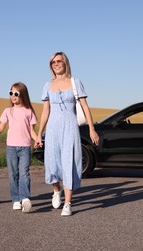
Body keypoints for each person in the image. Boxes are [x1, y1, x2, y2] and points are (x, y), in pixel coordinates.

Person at [35, 52, 99, 216]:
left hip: (70, 128)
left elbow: (85, 106)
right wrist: (39, 134)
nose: (56, 64)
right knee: (52, 162)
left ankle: (68, 204)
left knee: (69, 163)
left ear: (65, 63)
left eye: (59, 61)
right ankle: (56, 190)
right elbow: (45, 112)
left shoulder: (75, 83)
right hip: (53, 130)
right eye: (53, 62)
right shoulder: (47, 85)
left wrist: (92, 129)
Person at [0, 82, 38, 213]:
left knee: (24, 173)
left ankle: (25, 198)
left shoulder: (29, 111)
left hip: (25, 147)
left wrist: (37, 139)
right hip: (11, 148)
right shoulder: (7, 111)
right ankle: (16, 200)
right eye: (11, 93)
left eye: (16, 94)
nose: (13, 96)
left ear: (23, 95)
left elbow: (32, 131)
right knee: (13, 174)